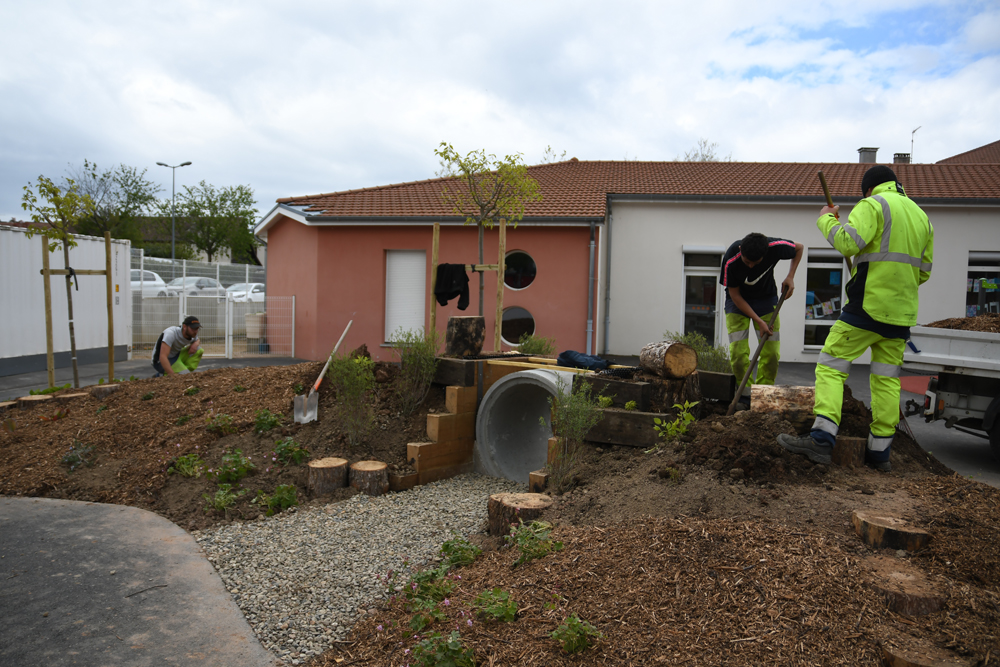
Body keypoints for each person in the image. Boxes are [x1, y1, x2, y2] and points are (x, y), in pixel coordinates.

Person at [778, 165, 934, 472]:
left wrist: (826, 219)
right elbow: (924, 273)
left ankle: (822, 439)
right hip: (901, 315)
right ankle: (880, 453)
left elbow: (848, 242)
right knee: (887, 380)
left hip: (867, 306)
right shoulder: (921, 217)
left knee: (831, 364)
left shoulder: (873, 204)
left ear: (868, 189)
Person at [720, 232, 803, 403]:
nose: (750, 266)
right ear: (741, 250)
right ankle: (745, 397)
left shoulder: (774, 247)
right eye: (747, 262)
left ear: (765, 255)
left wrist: (790, 276)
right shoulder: (731, 259)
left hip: (766, 300)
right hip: (737, 304)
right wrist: (759, 321)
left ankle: (764, 395)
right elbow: (735, 296)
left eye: (755, 263)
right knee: (738, 354)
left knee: (771, 353)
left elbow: (799, 248)